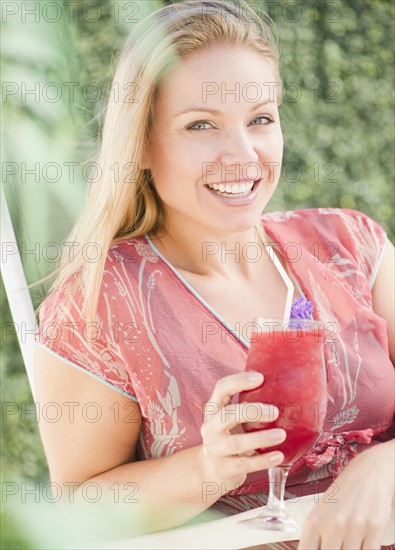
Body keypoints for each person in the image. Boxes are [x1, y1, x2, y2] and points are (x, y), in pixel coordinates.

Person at [34, 0, 394, 548]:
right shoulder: (102, 302)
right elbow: (81, 506)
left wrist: (385, 465)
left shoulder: (350, 246)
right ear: (142, 146)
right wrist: (207, 469)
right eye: (200, 124)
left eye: (261, 119)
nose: (243, 154)